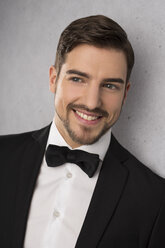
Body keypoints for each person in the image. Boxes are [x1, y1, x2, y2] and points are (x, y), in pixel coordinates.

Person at [0, 15, 165, 248]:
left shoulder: (155, 200)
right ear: (53, 79)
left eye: (109, 86)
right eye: (78, 79)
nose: (91, 102)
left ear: (125, 93)